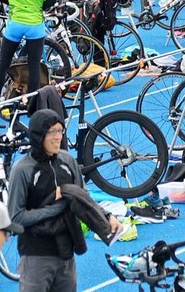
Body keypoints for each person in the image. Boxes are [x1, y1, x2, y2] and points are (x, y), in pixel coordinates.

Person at [7, 109, 125, 292]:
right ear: (39, 136)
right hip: (36, 255)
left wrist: (107, 216)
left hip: (66, 252)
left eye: (60, 131)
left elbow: (83, 198)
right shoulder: (22, 170)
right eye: (52, 132)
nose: (58, 137)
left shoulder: (67, 160)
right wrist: (57, 208)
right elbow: (15, 218)